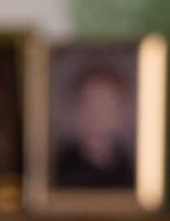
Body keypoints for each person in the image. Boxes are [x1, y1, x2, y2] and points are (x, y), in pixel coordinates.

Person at [54, 63, 136, 191]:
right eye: (94, 105)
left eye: (109, 105)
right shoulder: (56, 174)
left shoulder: (136, 174)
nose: (101, 114)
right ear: (77, 110)